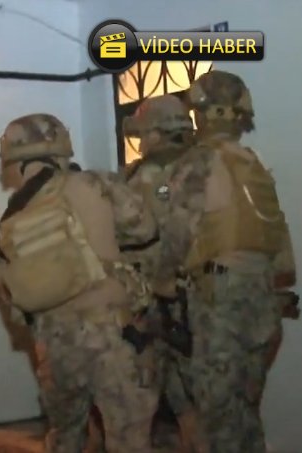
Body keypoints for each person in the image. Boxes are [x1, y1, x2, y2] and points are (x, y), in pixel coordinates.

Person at [0, 113, 159, 453]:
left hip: (54, 348)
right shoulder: (93, 183)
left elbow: (13, 305)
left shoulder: (7, 224)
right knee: (130, 441)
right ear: (61, 147)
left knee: (66, 439)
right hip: (110, 336)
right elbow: (145, 229)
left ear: (13, 159)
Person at [157, 70, 294, 453]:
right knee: (247, 406)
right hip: (261, 294)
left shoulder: (197, 162)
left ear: (202, 113)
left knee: (217, 413)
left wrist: (160, 282)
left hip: (220, 298)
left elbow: (176, 232)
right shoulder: (252, 162)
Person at [121, 94, 201, 452]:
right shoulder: (205, 167)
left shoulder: (142, 175)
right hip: (193, 296)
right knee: (191, 395)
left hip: (156, 297)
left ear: (152, 133)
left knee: (143, 393)